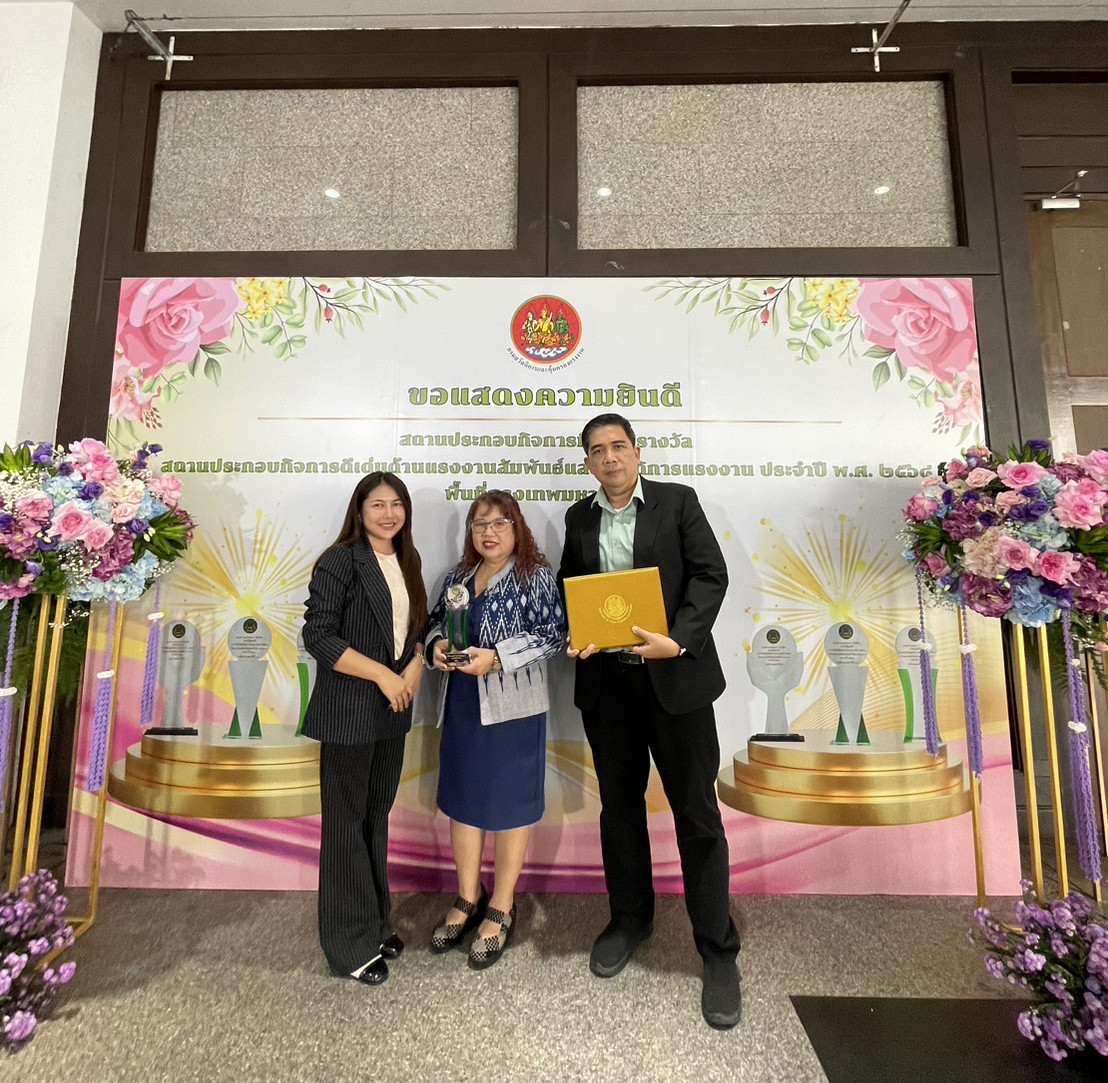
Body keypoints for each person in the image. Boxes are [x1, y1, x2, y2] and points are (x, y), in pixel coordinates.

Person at [558, 414, 742, 1029]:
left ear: (638, 453)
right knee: (619, 809)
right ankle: (630, 920)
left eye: (618, 446)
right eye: (597, 450)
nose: (609, 458)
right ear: (587, 462)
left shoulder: (677, 502)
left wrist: (679, 640)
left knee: (696, 812)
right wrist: (575, 631)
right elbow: (572, 588)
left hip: (676, 682)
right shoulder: (579, 518)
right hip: (609, 688)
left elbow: (711, 575)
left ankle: (717, 948)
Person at [426, 490, 565, 970]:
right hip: (462, 704)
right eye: (480, 524)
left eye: (499, 523)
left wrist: (499, 657)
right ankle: (468, 896)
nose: (489, 533)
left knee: (509, 805)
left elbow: (554, 635)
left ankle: (502, 905)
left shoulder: (535, 576)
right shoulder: (457, 578)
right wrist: (436, 645)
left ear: (516, 528)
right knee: (463, 799)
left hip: (514, 709)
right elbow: (433, 624)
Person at [301, 472, 428, 987]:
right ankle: (346, 946)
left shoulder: (409, 559)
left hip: (393, 709)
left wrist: (414, 667)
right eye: (377, 504)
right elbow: (319, 635)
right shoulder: (341, 559)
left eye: (396, 504)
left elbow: (418, 630)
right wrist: (381, 674)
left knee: (375, 817)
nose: (388, 513)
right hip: (350, 710)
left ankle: (375, 924)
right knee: (345, 824)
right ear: (359, 510)